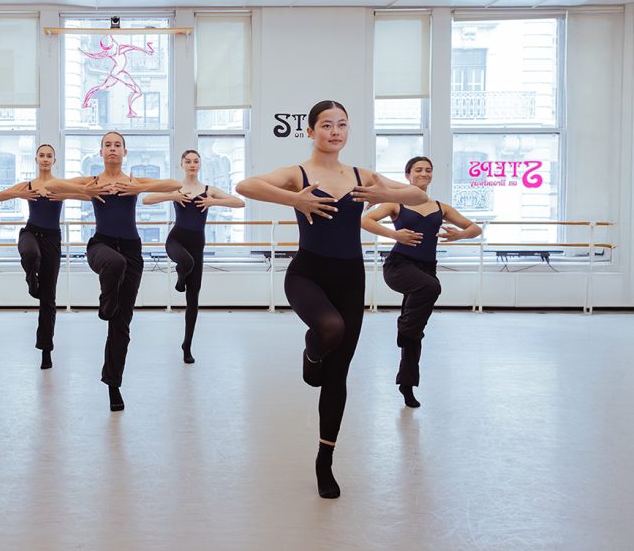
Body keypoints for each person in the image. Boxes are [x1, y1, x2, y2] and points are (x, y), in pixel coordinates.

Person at [235, 100, 427, 499]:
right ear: (310, 131)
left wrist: (382, 189)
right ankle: (311, 352)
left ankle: (325, 461)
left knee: (338, 376)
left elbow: (413, 192)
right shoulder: (298, 173)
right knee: (328, 328)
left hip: (350, 279)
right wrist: (295, 200)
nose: (335, 131)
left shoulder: (360, 176)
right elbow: (246, 186)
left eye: (342, 124)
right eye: (326, 125)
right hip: (307, 273)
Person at [46, 131, 180, 411]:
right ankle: (106, 301)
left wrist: (138, 189)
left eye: (117, 145)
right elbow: (55, 184)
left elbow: (173, 183)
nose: (112, 149)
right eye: (107, 145)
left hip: (132, 250)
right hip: (101, 247)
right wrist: (87, 191)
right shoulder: (93, 181)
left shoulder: (133, 181)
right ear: (101, 152)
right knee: (114, 265)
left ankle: (113, 384)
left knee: (121, 324)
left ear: (125, 152)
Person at [361, 156, 482, 408]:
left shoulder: (441, 207)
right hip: (399, 265)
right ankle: (404, 327)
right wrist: (394, 234)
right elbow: (364, 220)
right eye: (418, 170)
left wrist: (460, 235)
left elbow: (475, 228)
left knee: (415, 334)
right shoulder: (396, 203)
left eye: (428, 169)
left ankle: (407, 386)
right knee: (429, 291)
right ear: (408, 176)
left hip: (426, 268)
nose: (424, 173)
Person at [142, 149, 244, 364]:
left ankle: (187, 345)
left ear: (199, 165)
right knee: (186, 262)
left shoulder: (208, 190)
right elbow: (147, 199)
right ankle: (180, 278)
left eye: (196, 161)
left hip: (198, 243)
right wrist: (172, 195)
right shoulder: (175, 187)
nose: (192, 164)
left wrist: (213, 202)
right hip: (176, 239)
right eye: (188, 161)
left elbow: (239, 202)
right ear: (182, 164)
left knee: (193, 299)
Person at [0, 144, 82, 370]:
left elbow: (86, 195)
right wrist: (20, 193)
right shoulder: (29, 185)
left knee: (48, 299)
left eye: (49, 156)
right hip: (30, 232)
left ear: (55, 160)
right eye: (41, 155)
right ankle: (32, 279)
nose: (45, 159)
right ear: (35, 159)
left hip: (52, 239)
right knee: (31, 254)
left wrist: (68, 192)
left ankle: (46, 350)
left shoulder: (60, 186)